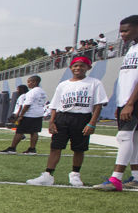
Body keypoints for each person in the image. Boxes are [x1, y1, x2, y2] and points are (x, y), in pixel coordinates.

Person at [27, 55, 108, 187]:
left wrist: (92, 123)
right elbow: (54, 105)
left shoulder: (94, 83)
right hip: (63, 117)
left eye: (82, 65)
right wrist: (52, 121)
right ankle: (48, 175)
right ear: (71, 67)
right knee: (55, 147)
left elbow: (98, 105)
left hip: (82, 117)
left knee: (79, 148)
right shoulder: (63, 85)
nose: (78, 68)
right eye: (75, 65)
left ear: (88, 67)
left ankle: (75, 174)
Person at [96, 16, 138, 190]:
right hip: (126, 101)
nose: (122, 34)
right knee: (134, 140)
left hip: (134, 101)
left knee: (124, 137)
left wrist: (129, 103)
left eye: (126, 30)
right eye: (121, 31)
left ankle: (116, 179)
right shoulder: (132, 49)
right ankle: (136, 177)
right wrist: (120, 103)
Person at [0, 76, 47, 155]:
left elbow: (27, 105)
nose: (28, 84)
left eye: (29, 82)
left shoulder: (32, 92)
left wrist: (21, 116)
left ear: (34, 82)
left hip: (29, 114)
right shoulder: (42, 92)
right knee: (34, 132)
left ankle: (12, 148)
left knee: (19, 131)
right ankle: (32, 149)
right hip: (38, 114)